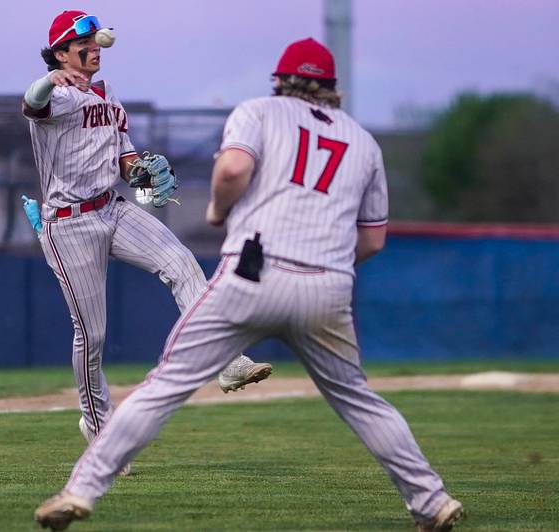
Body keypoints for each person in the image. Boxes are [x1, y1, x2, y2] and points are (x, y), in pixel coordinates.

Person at [35, 38, 464, 532]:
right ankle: (431, 501)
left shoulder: (259, 111)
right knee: (360, 400)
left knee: (165, 385)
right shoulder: (364, 141)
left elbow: (234, 168)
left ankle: (81, 491)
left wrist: (215, 210)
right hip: (326, 283)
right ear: (332, 88)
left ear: (280, 81)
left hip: (253, 271)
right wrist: (327, 265)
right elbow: (372, 240)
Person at [20, 9, 273, 469]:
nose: (95, 47)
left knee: (181, 263)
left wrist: (144, 181)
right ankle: (97, 425)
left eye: (96, 41)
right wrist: (50, 79)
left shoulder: (108, 93)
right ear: (61, 52)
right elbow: (29, 104)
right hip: (67, 223)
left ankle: (226, 360)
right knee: (92, 334)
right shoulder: (55, 96)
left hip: (112, 207)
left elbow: (126, 160)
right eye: (84, 43)